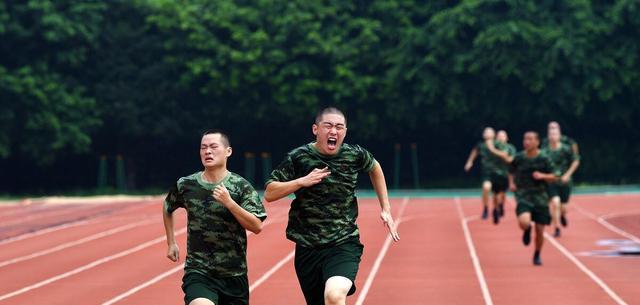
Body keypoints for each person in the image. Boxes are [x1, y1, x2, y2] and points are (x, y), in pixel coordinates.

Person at [264, 107, 400, 305]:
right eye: (328, 126)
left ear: (345, 131)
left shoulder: (354, 154)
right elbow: (270, 192)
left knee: (334, 296)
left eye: (339, 127)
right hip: (307, 247)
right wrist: (302, 181)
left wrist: (385, 208)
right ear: (315, 129)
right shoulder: (298, 157)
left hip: (343, 242)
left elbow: (375, 167)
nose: (333, 131)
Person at [163, 130, 267, 305]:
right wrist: (171, 242)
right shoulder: (186, 185)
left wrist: (230, 203)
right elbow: (167, 208)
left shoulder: (242, 187)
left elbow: (256, 226)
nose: (207, 151)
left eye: (213, 147)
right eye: (203, 147)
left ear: (228, 151)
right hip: (199, 272)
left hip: (234, 275)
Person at [487, 131, 556, 266]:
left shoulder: (544, 158)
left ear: (537, 142)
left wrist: (543, 176)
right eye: (525, 139)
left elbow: (556, 175)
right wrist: (512, 183)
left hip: (541, 197)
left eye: (530, 139)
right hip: (523, 195)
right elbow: (511, 170)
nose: (527, 142)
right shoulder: (519, 157)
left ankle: (537, 254)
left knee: (540, 231)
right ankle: (527, 229)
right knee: (524, 222)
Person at [543, 127, 580, 237]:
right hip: (551, 182)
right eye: (551, 134)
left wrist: (567, 175)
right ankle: (557, 227)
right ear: (548, 137)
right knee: (555, 203)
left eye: (555, 134)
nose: (553, 136)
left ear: (559, 136)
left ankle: (563, 215)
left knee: (563, 207)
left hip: (565, 182)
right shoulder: (545, 151)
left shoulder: (566, 149)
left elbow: (576, 161)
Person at [464, 127, 502, 222]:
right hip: (487, 173)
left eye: (489, 132)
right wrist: (470, 162)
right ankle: (485, 208)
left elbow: (504, 154)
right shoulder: (480, 145)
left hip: (498, 173)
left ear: (494, 134)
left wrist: (492, 148)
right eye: (485, 132)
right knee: (486, 188)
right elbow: (474, 152)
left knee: (497, 195)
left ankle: (496, 209)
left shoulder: (498, 144)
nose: (486, 133)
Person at [494, 130, 517, 219]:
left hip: (506, 174)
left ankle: (501, 205)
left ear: (506, 138)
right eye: (499, 136)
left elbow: (512, 159)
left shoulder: (510, 148)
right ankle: (495, 210)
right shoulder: (493, 147)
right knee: (496, 193)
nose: (500, 138)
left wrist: (505, 157)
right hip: (495, 173)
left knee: (502, 193)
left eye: (502, 136)